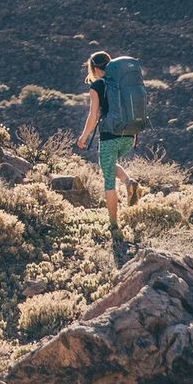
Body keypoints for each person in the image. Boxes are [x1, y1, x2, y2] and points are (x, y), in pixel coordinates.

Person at [76, 51, 145, 258]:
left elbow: (93, 115)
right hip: (130, 135)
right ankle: (128, 181)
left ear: (94, 68)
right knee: (110, 165)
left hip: (109, 135)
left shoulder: (97, 86)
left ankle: (114, 225)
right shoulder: (122, 82)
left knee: (107, 179)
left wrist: (84, 137)